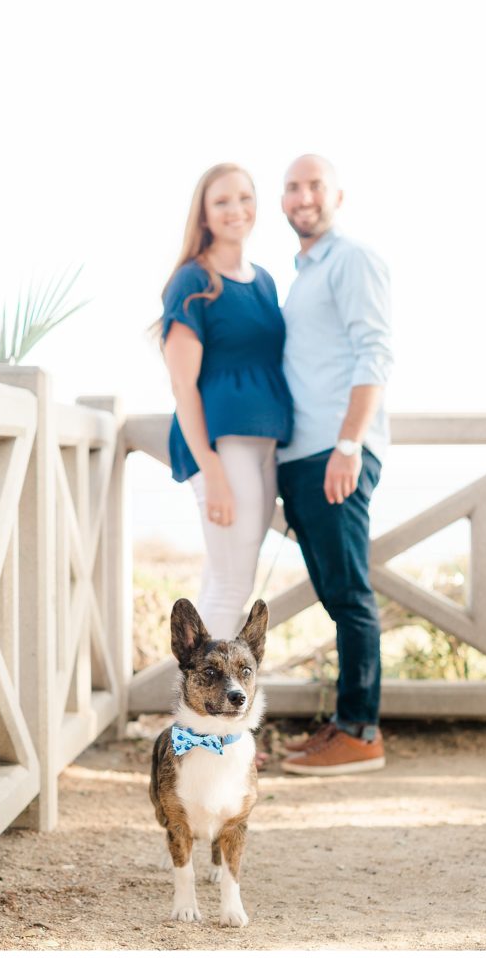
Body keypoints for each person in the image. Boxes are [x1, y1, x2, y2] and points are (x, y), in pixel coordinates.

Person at [277, 154, 393, 775]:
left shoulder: (351, 260)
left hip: (335, 453)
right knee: (333, 593)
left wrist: (349, 445)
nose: (303, 197)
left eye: (314, 185)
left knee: (349, 595)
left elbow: (376, 353)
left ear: (337, 195)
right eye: (292, 187)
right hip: (303, 457)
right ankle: (342, 724)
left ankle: (360, 731)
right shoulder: (302, 275)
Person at [159, 163, 293, 641]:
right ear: (204, 214)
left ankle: (195, 711)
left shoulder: (264, 282)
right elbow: (183, 385)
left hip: (264, 446)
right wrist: (211, 468)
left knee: (226, 577)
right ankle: (205, 711)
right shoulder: (193, 280)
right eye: (222, 201)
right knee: (232, 583)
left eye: (244, 198)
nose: (236, 209)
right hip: (221, 446)